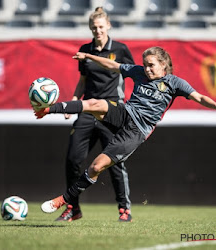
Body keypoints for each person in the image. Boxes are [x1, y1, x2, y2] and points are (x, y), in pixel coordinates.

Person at [35, 46, 216, 220]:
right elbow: (112, 65)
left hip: (137, 130)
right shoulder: (138, 72)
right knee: (94, 103)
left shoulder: (175, 83)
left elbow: (199, 97)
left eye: (151, 65)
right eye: (144, 64)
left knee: (96, 167)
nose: (146, 69)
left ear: (163, 64)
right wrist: (89, 57)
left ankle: (65, 199)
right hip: (125, 113)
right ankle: (48, 110)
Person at [58, 7, 135, 222]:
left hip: (112, 111)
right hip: (87, 110)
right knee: (73, 159)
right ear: (90, 28)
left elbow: (133, 74)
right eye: (94, 27)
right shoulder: (85, 50)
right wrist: (73, 102)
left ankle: (124, 209)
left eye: (101, 26)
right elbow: (83, 81)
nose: (98, 30)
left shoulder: (120, 49)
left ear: (108, 26)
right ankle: (73, 209)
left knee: (114, 162)